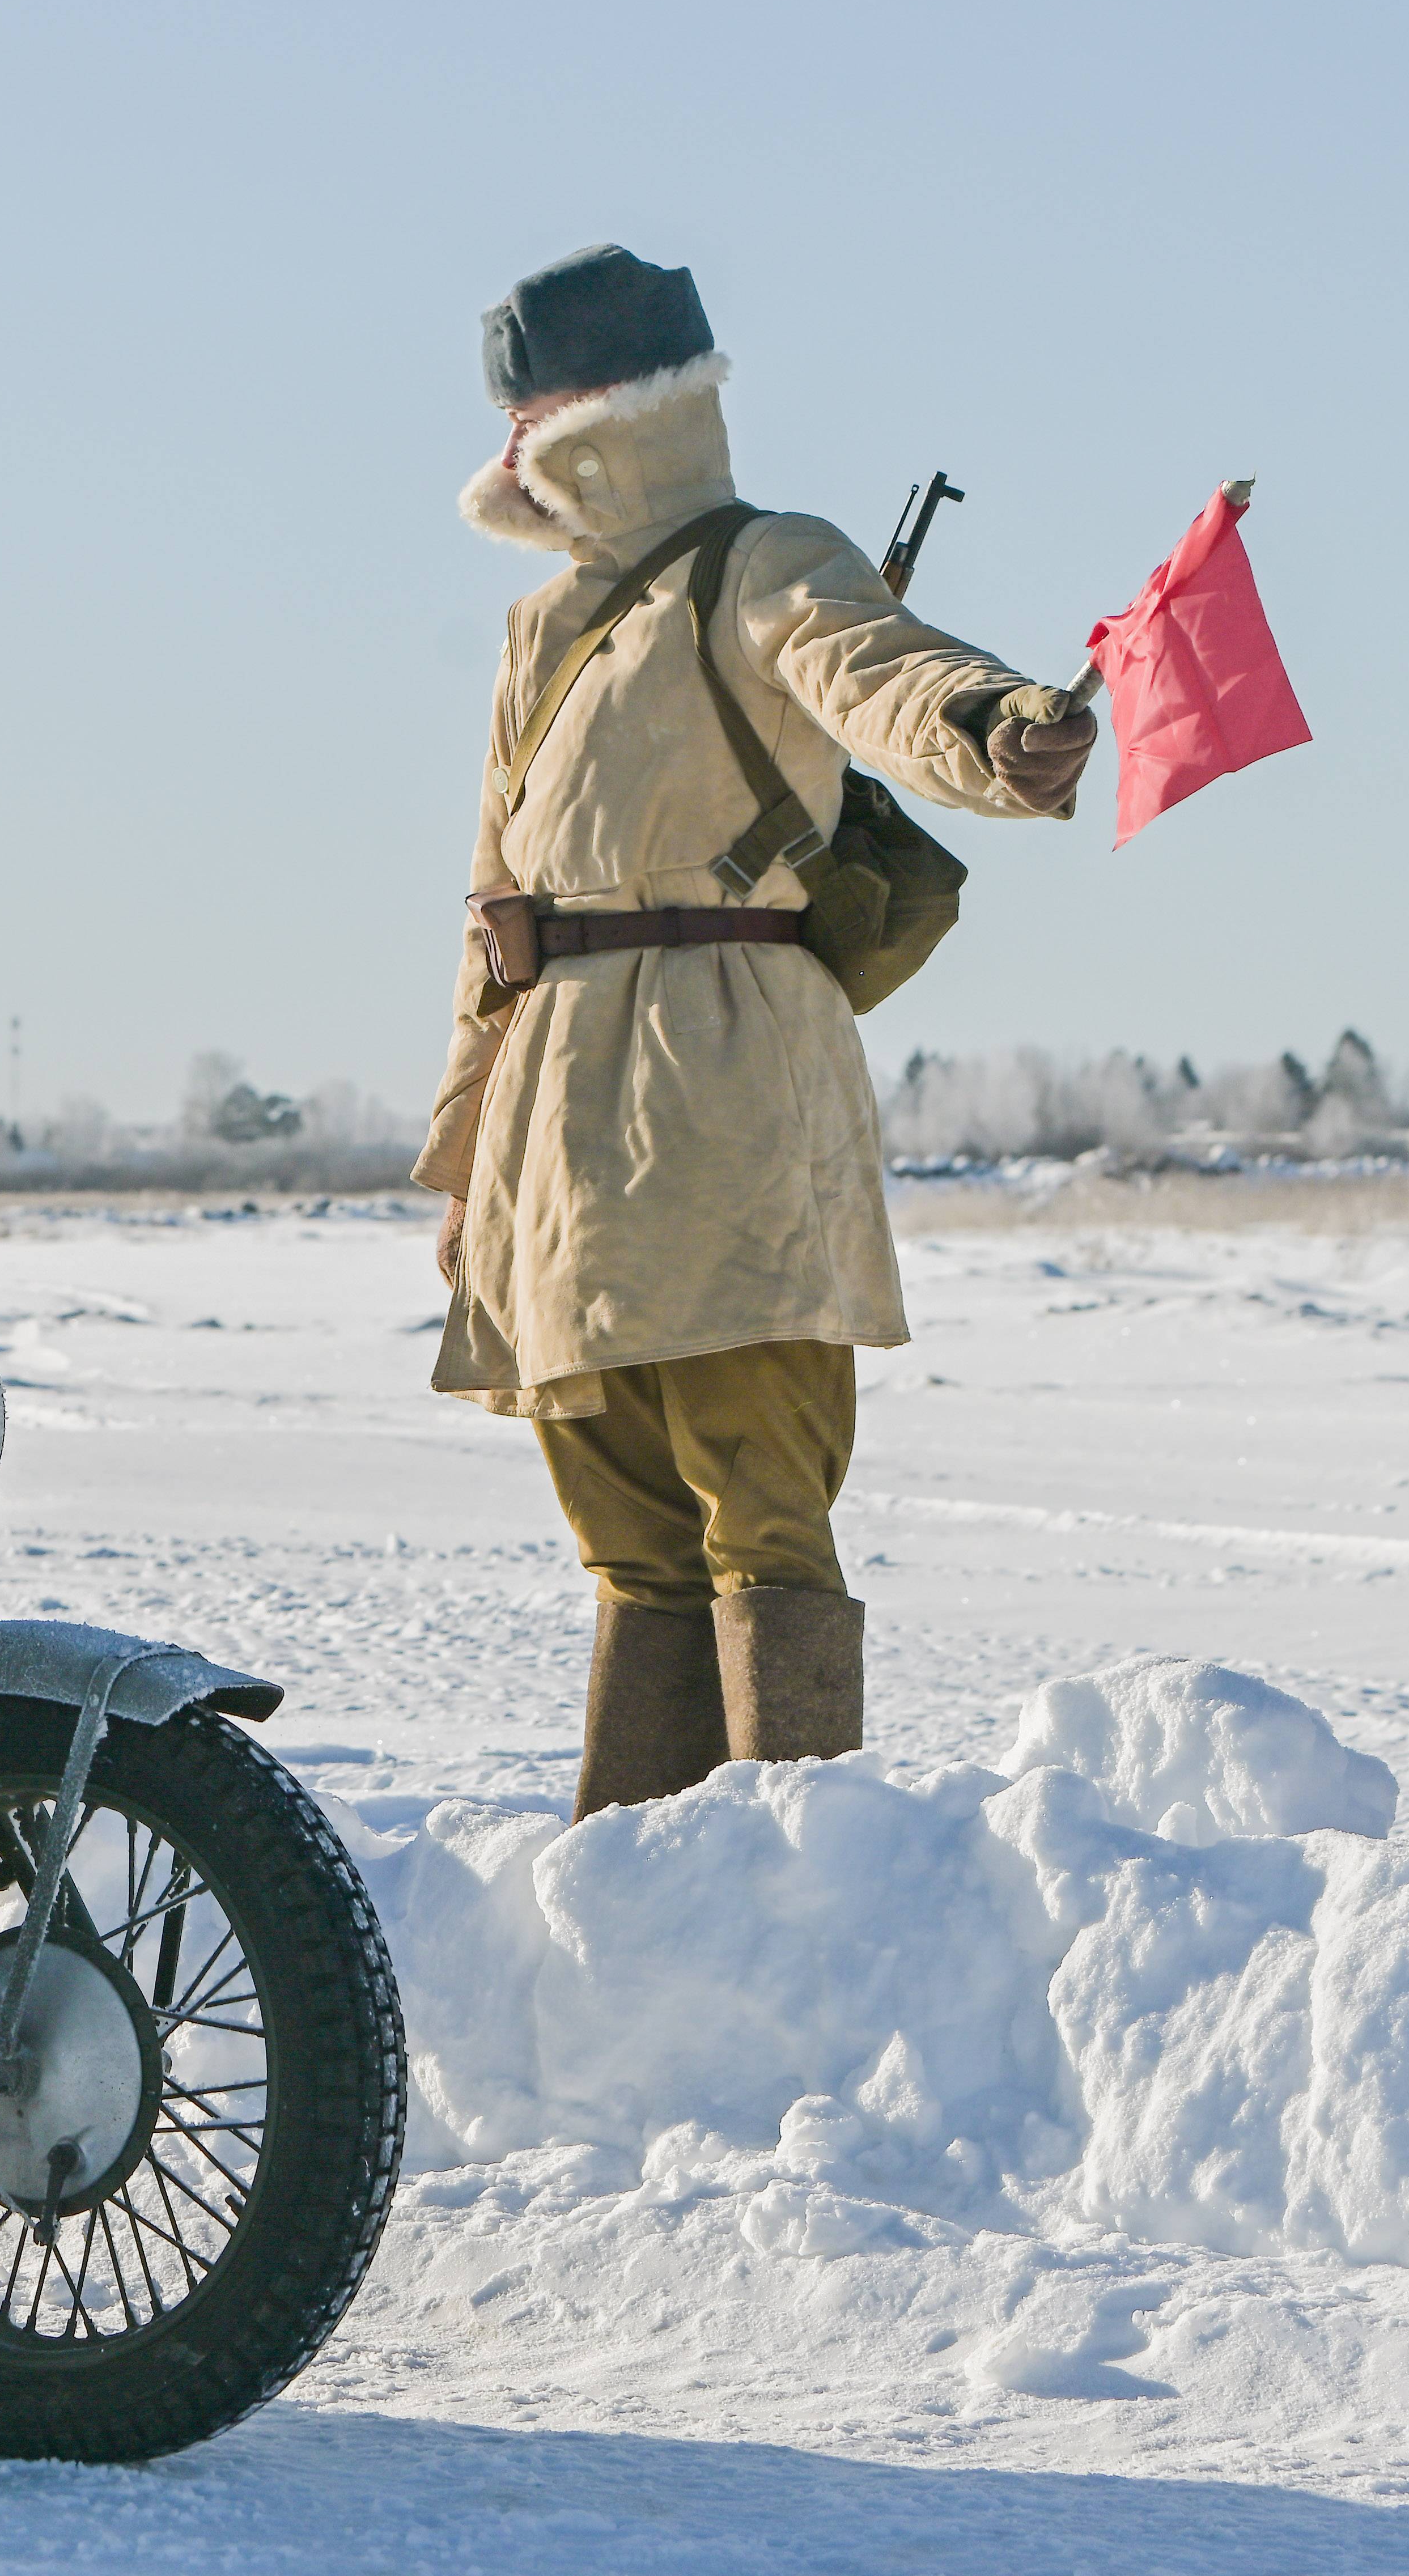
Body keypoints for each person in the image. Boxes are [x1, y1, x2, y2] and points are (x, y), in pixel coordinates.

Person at [415, 246, 1099, 1815]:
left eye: (533, 408)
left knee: (760, 1521)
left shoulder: (771, 559)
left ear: (598, 410)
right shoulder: (541, 632)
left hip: (726, 1092)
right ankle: (641, 1895)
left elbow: (878, 669)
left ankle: (796, 1884)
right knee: (631, 1546)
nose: (515, 439)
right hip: (553, 1138)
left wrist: (995, 728)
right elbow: (494, 913)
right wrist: (467, 1171)